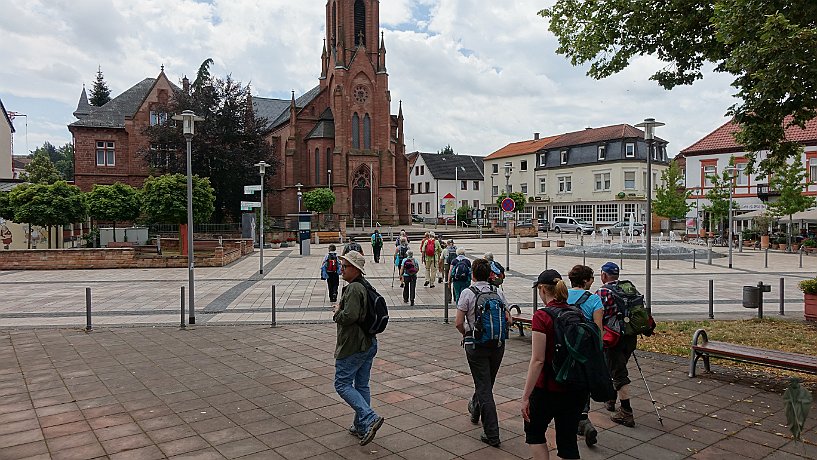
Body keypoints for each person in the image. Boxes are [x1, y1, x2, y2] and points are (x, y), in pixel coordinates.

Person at [522, 269, 588, 460]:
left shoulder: (542, 316)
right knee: (568, 442)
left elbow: (538, 360)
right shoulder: (577, 312)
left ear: (542, 289)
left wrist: (526, 396)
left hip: (547, 388)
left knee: (534, 433)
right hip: (575, 387)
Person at [455, 258, 511, 447]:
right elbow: (509, 320)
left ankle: (492, 433)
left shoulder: (467, 293)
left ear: (472, 274)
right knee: (486, 383)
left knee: (484, 387)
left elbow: (458, 322)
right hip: (497, 345)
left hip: (476, 345)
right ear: (489, 275)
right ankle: (475, 410)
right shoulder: (498, 292)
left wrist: (466, 333)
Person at [332, 251, 385, 446]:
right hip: (369, 343)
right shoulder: (365, 285)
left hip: (354, 345)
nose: (341, 270)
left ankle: (369, 417)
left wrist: (337, 312)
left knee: (342, 384)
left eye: (344, 266)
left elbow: (350, 316)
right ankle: (361, 426)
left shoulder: (354, 288)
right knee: (362, 385)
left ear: (355, 269)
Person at [596, 262, 637, 428]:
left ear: (604, 276)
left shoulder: (603, 292)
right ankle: (611, 399)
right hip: (630, 336)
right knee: (614, 367)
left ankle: (626, 412)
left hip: (613, 338)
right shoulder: (629, 288)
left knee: (619, 373)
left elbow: (597, 314)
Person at [567, 265, 604, 447]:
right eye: (591, 278)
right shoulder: (595, 300)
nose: (593, 281)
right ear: (585, 281)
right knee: (584, 384)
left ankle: (567, 416)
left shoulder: (563, 295)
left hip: (565, 347)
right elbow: (598, 329)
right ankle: (583, 418)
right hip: (585, 350)